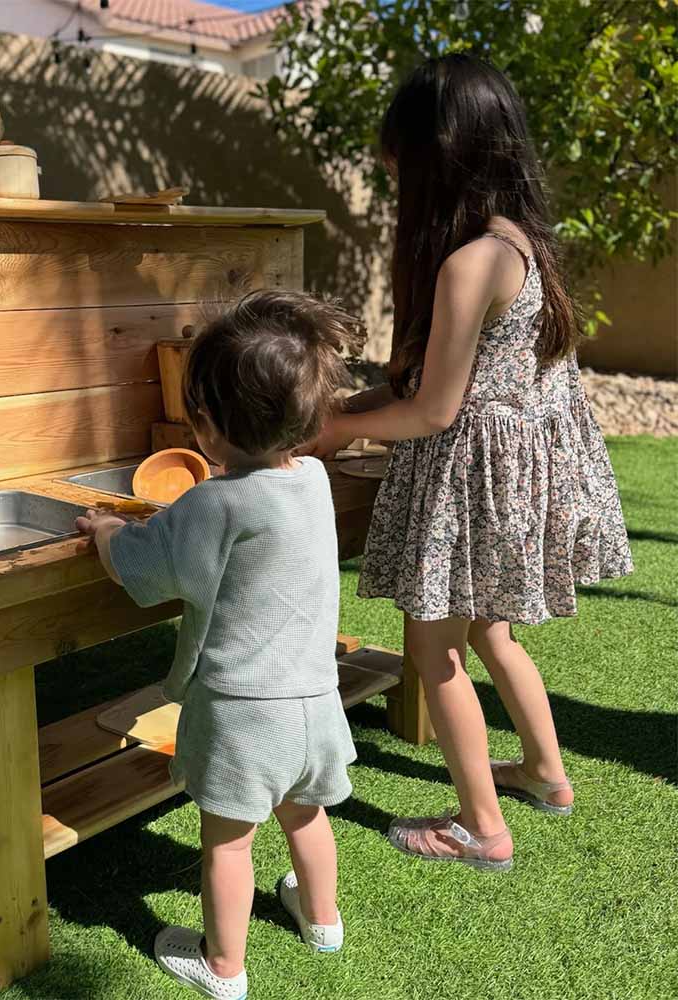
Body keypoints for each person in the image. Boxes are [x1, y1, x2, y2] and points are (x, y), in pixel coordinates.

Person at [304, 54, 633, 871]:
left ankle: (482, 827)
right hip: (507, 482)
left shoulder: (468, 263)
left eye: (399, 159)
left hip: (468, 479)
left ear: (437, 156)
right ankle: (547, 774)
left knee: (432, 647)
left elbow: (435, 411)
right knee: (491, 628)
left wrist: (339, 430)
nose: (391, 175)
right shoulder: (522, 243)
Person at [78, 289, 363, 999]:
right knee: (307, 814)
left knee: (229, 842)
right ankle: (322, 919)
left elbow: (147, 571)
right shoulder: (315, 480)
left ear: (204, 426)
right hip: (317, 701)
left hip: (243, 713)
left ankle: (223, 968)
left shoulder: (212, 502)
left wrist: (108, 534)